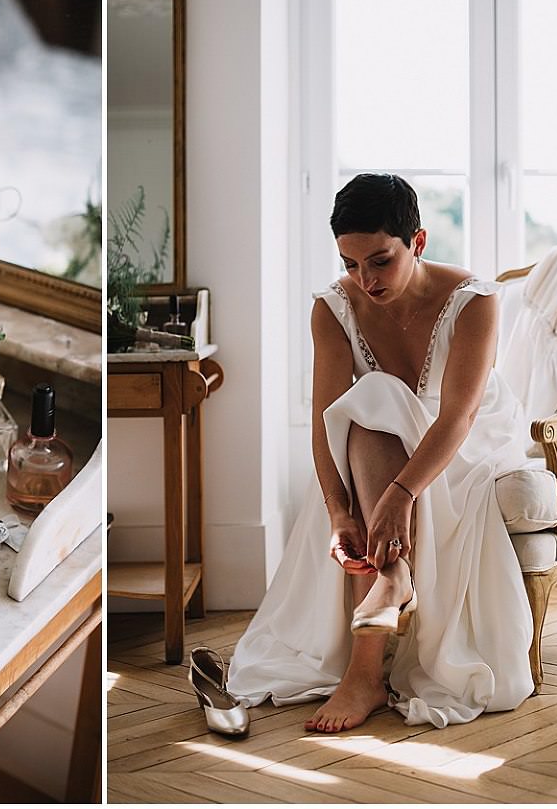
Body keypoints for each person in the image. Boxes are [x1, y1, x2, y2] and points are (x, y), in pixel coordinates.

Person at [223, 173, 533, 732]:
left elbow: (459, 416)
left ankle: (365, 666)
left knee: (376, 397)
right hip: (376, 443)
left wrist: (401, 494)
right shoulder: (332, 310)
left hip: (469, 438)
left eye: (380, 261)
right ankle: (390, 584)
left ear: (418, 242)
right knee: (369, 402)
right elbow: (325, 425)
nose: (364, 280)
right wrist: (339, 513)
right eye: (350, 264)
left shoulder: (475, 302)